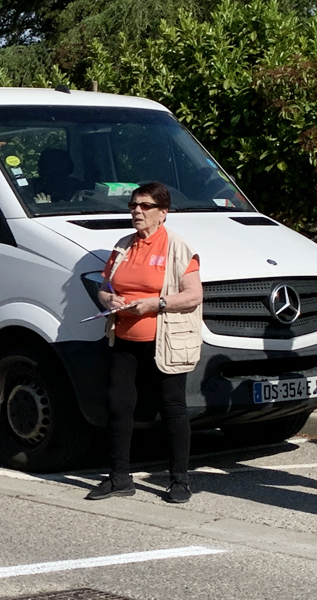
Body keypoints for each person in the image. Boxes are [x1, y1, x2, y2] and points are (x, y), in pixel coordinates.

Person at [86, 182, 203, 504]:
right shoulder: (123, 245)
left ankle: (179, 480)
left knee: (172, 408)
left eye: (145, 206)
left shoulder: (178, 247)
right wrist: (108, 299)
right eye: (133, 205)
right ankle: (119, 478)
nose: (137, 211)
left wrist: (156, 304)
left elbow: (194, 295)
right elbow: (105, 286)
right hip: (124, 338)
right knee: (118, 405)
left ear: (163, 213)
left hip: (165, 340)